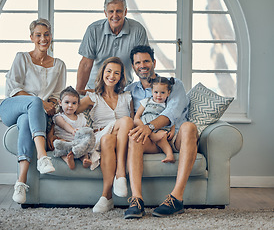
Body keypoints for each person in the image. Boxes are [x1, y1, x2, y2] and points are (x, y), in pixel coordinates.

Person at [124, 45, 199, 219]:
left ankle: (176, 198)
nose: (142, 65)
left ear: (154, 62)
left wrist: (149, 126)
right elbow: (130, 117)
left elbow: (172, 112)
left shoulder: (173, 84)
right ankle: (136, 200)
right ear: (133, 66)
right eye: (137, 62)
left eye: (146, 61)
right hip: (149, 140)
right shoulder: (129, 91)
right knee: (134, 135)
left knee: (189, 127)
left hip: (174, 137)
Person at [0, 18, 67, 204]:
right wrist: (40, 102)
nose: (43, 39)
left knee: (25, 122)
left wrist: (49, 104)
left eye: (46, 34)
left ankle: (20, 183)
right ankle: (43, 157)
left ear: (51, 37)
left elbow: (57, 95)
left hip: (33, 115)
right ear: (31, 37)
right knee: (34, 102)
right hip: (12, 107)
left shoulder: (59, 65)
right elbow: (14, 89)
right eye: (38, 35)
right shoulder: (22, 57)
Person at [77, 57, 134, 213]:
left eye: (116, 73)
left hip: (122, 138)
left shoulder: (127, 97)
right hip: (101, 136)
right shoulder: (92, 97)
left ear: (121, 77)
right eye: (108, 71)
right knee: (109, 136)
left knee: (126, 122)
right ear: (102, 73)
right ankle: (120, 174)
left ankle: (106, 197)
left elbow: (134, 121)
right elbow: (69, 110)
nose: (112, 75)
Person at [76, 0, 149, 95]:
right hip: (96, 89)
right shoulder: (93, 30)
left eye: (119, 11)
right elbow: (85, 64)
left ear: (125, 12)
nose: (115, 15)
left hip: (124, 90)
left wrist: (147, 92)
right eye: (111, 11)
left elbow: (142, 63)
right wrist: (78, 93)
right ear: (105, 13)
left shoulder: (138, 30)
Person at [134, 76, 176, 163]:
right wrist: (143, 127)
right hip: (145, 127)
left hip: (160, 129)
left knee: (162, 136)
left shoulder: (167, 105)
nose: (159, 95)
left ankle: (169, 155)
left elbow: (171, 119)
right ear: (152, 91)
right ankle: (153, 136)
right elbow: (137, 117)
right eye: (156, 92)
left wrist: (172, 130)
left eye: (162, 92)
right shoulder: (146, 101)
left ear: (168, 93)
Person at [51, 86, 92, 170]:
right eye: (67, 102)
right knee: (59, 145)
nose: (70, 105)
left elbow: (86, 129)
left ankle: (85, 160)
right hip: (65, 142)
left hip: (77, 144)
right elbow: (64, 125)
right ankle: (68, 160)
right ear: (60, 102)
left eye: (74, 103)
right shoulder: (59, 117)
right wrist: (73, 130)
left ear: (78, 104)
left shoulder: (82, 117)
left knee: (85, 148)